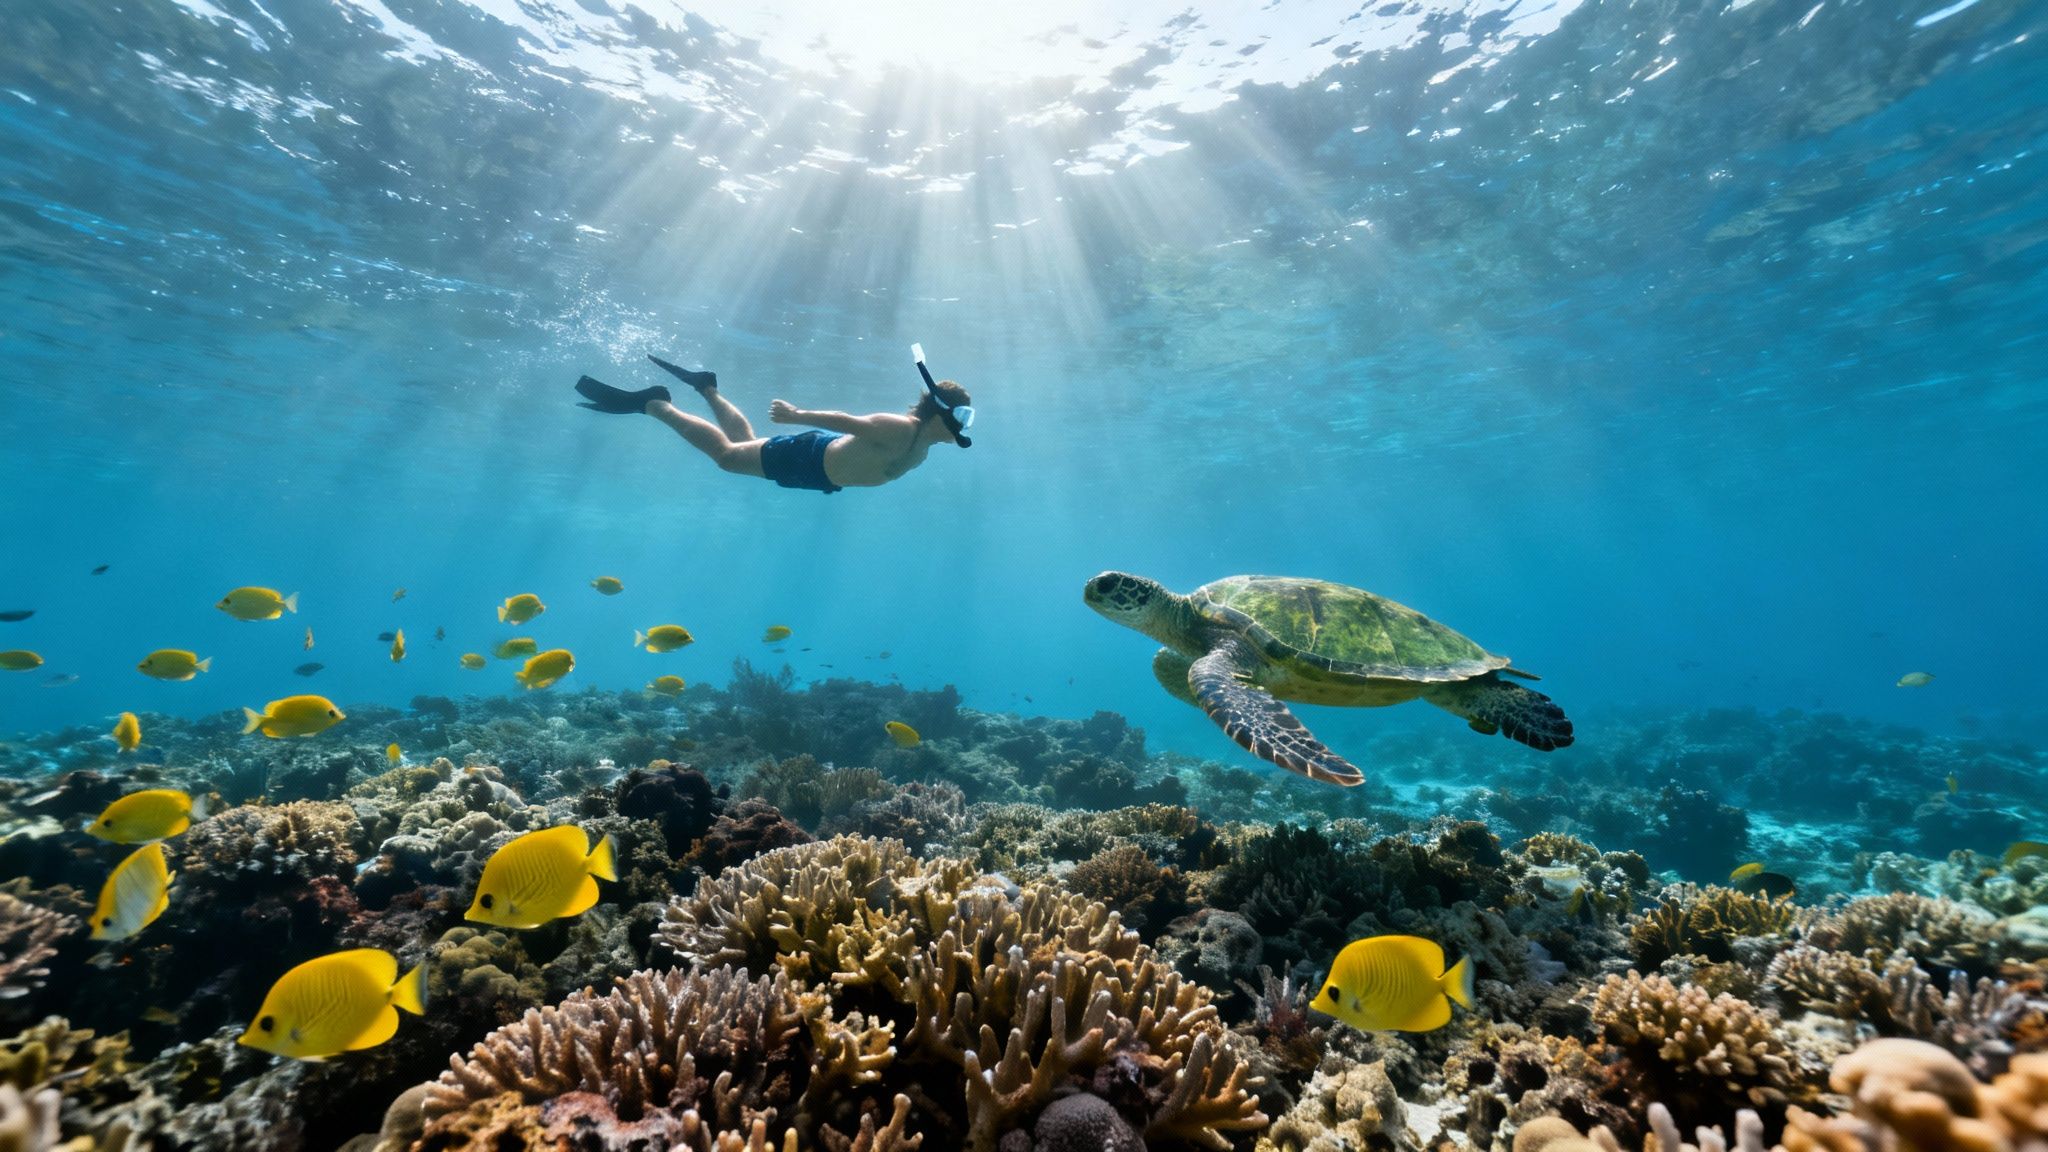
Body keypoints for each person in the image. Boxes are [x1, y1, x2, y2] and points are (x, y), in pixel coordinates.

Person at [574, 353, 973, 494]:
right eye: (961, 416)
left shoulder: (924, 444)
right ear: (940, 413)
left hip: (817, 475)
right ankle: (655, 404)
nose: (964, 426)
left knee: (745, 443)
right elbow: (848, 421)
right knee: (729, 457)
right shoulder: (901, 428)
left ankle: (707, 387)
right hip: (809, 458)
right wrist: (796, 415)